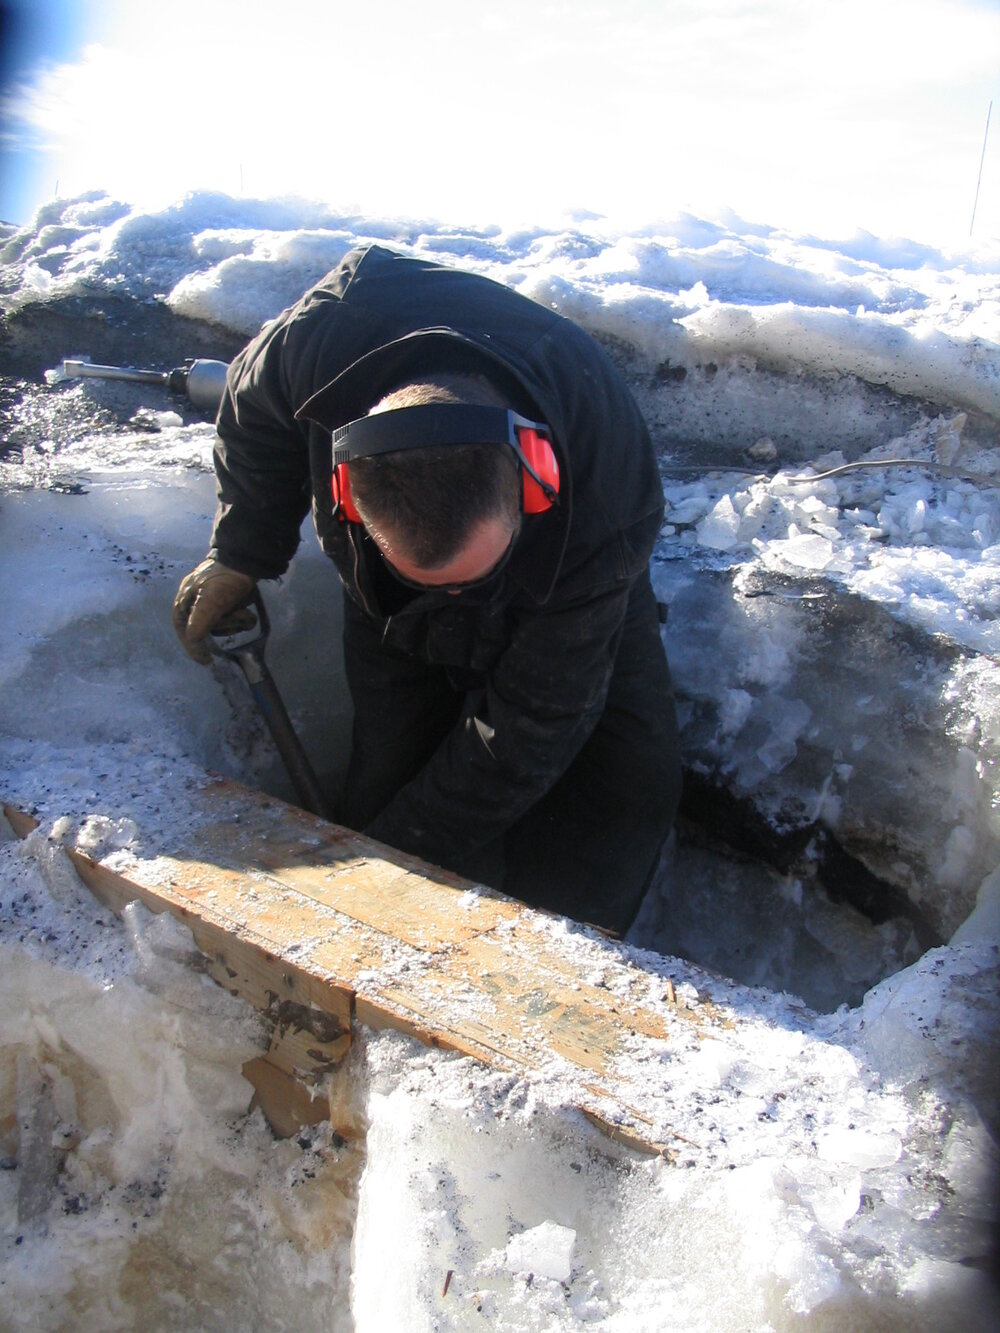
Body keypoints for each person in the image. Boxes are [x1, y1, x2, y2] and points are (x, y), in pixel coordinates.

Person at [173, 244, 681, 935]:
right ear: (348, 493)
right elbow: (250, 413)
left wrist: (391, 864)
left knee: (621, 792)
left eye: (469, 575)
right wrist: (241, 552)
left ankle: (554, 965)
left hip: (559, 576)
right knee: (389, 769)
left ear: (536, 479)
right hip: (388, 604)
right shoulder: (315, 348)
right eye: (430, 577)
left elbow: (532, 726)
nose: (456, 599)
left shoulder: (603, 485)